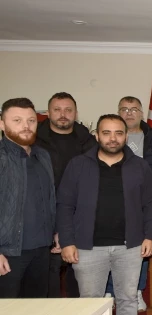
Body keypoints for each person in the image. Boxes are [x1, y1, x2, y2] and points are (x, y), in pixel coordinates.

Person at [57, 114, 152, 315]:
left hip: (130, 246)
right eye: (106, 133)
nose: (113, 139)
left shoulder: (139, 166)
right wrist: (67, 241)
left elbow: (150, 205)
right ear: (97, 135)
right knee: (90, 302)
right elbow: (64, 205)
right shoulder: (78, 165)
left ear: (126, 136)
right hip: (88, 247)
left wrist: (150, 236)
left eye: (118, 133)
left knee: (127, 299)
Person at [104, 96, 152, 311]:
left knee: (140, 249)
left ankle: (137, 291)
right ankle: (111, 291)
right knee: (111, 247)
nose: (129, 113)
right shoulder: (110, 140)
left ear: (142, 114)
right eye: (124, 109)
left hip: (144, 203)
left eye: (134, 109)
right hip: (114, 203)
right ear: (118, 113)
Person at [36, 92, 95, 298]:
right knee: (48, 279)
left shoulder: (89, 142)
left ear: (76, 113)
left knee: (79, 277)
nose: (63, 114)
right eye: (57, 109)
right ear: (48, 112)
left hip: (81, 218)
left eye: (68, 110)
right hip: (43, 219)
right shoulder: (34, 141)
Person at [0, 98, 56, 298]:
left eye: (31, 121)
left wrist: (55, 232)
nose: (26, 126)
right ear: (1, 123)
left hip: (41, 250)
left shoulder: (42, 156)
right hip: (8, 254)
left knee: (37, 313)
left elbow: (49, 198)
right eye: (17, 120)